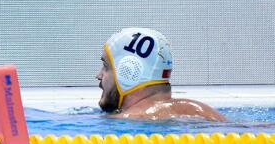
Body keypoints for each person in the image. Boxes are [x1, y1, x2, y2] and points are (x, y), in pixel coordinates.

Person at [96, 28, 225, 121]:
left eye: (106, 66)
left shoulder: (125, 121)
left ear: (129, 72)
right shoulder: (204, 112)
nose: (99, 75)